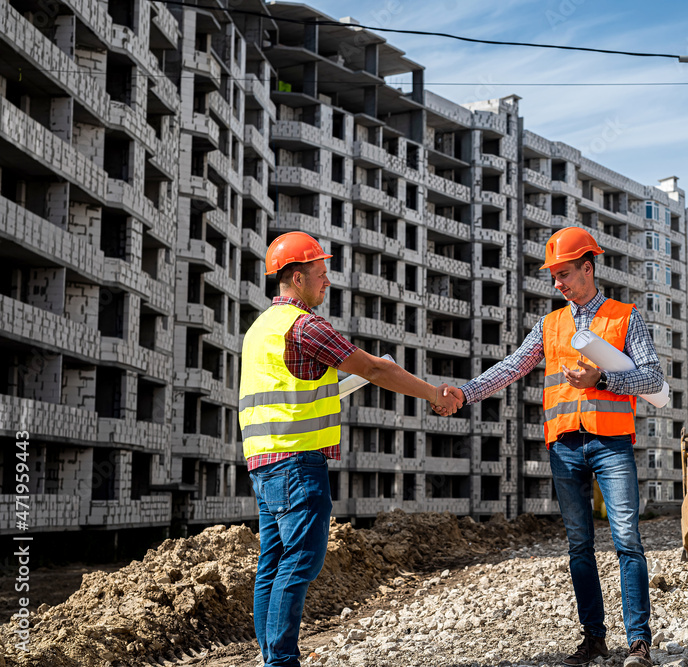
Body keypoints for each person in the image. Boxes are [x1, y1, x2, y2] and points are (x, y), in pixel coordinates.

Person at [439, 227, 662, 667]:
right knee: (579, 545)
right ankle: (594, 639)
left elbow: (652, 379)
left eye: (564, 274)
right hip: (564, 447)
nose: (557, 284)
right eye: (553, 277)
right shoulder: (550, 324)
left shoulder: (624, 317)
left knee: (627, 540)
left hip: (611, 444)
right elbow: (511, 368)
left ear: (588, 268)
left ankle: (639, 643)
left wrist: (604, 379)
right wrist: (464, 394)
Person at [239, 231, 462, 667]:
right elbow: (374, 368)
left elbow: (286, 392)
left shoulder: (259, 328)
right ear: (298, 278)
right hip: (297, 462)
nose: (328, 282)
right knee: (301, 560)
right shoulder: (304, 327)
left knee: (273, 563)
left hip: (263, 463)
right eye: (321, 274)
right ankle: (281, 662)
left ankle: (271, 658)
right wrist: (435, 395)